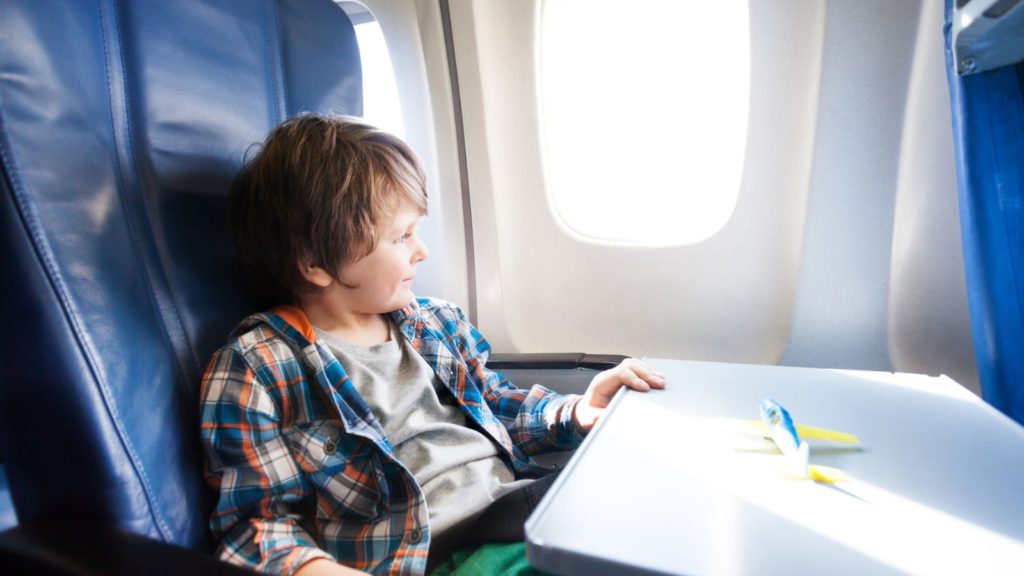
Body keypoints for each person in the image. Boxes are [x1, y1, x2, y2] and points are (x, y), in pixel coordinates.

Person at [199, 114, 666, 576]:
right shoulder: (256, 369)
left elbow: (500, 408)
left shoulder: (435, 322)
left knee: (657, 507)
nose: (421, 251)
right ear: (315, 263)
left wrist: (577, 412)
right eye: (401, 237)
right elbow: (256, 527)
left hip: (520, 514)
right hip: (436, 554)